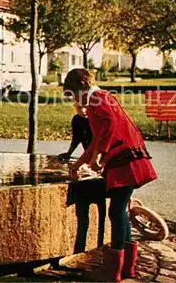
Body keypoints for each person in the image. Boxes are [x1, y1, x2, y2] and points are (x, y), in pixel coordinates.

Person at [63, 68, 158, 282]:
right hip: (125, 159)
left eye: (73, 94)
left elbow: (109, 125)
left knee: (116, 211)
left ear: (79, 87)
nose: (76, 101)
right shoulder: (100, 98)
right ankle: (126, 268)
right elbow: (97, 139)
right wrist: (78, 164)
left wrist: (100, 155)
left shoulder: (97, 97)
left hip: (124, 161)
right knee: (119, 211)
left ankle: (112, 271)